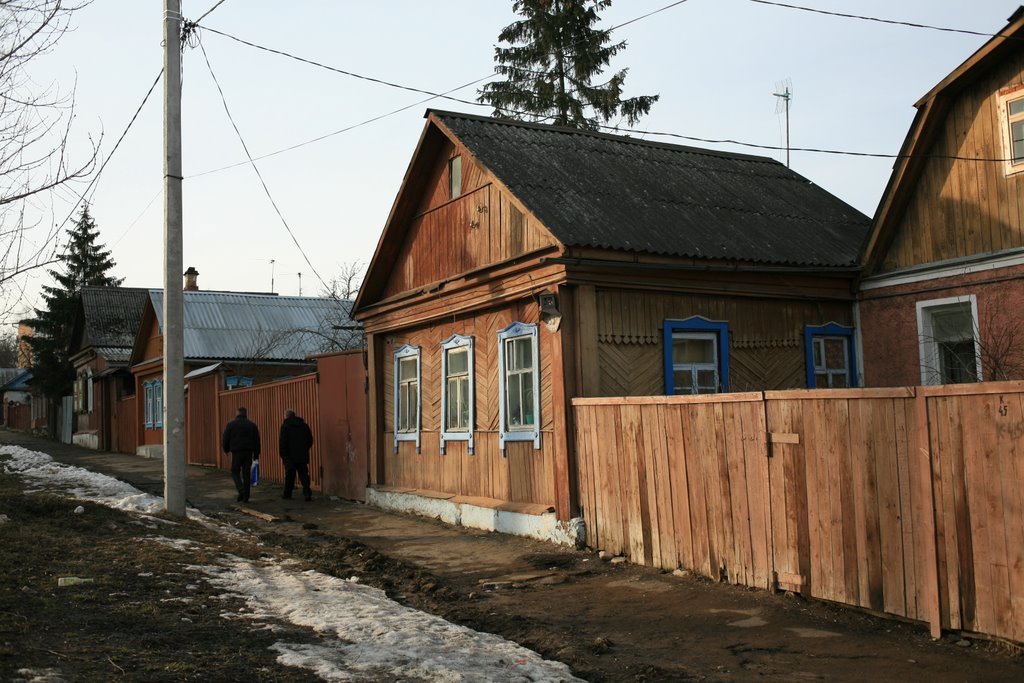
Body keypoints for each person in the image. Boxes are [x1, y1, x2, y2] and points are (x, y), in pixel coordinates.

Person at [222, 406, 260, 502]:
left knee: (235, 471)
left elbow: (226, 438)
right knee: (246, 474)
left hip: (237, 452)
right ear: (245, 413)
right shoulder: (252, 425)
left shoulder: (231, 424)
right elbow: (257, 441)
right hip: (248, 452)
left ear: (237, 413)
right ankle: (246, 497)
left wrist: (226, 449)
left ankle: (241, 490)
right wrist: (256, 454)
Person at [279, 409, 314, 501]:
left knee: (290, 476)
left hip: (290, 456)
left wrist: (283, 455)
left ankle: (287, 494)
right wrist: (305, 449)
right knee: (304, 475)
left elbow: (283, 442)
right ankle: (307, 493)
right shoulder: (304, 425)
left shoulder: (285, 426)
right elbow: (310, 440)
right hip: (302, 455)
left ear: (286, 416)